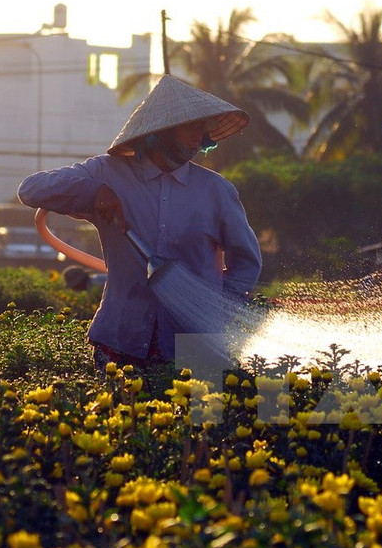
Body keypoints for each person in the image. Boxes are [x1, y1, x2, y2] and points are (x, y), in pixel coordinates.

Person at [18, 74, 262, 371]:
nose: (197, 136)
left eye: (201, 127)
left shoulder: (216, 191)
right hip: (121, 339)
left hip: (197, 346)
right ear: (161, 130)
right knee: (119, 416)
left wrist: (210, 305)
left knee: (201, 419)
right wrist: (94, 193)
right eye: (189, 126)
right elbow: (30, 190)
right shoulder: (106, 174)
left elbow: (248, 263)